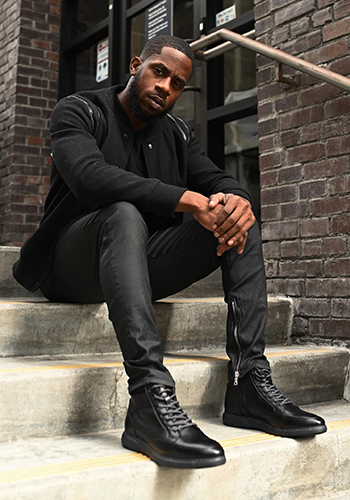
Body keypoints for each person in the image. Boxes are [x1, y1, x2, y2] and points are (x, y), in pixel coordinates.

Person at [13, 35, 327, 469]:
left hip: (137, 265)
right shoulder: (80, 110)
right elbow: (89, 177)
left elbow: (219, 180)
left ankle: (249, 382)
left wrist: (235, 200)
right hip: (71, 265)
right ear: (136, 65)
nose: (166, 86)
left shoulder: (177, 133)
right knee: (123, 213)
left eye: (178, 83)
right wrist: (188, 199)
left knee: (238, 220)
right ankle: (148, 397)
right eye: (159, 72)